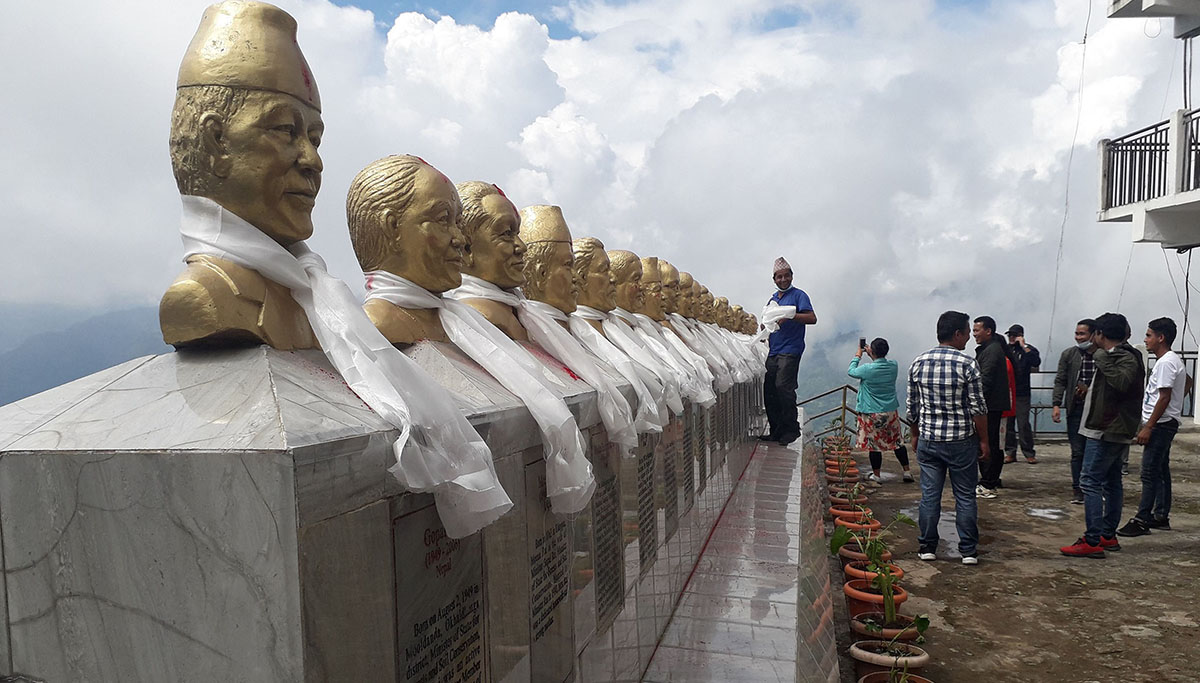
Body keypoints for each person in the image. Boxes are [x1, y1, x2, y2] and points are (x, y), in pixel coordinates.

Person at [1060, 312, 1145, 558]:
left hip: (1107, 430)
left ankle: (1093, 539)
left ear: (1100, 335)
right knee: (1110, 480)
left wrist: (1100, 357)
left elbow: (1121, 382)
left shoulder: (1123, 356)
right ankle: (1107, 535)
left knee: (1090, 481)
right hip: (1106, 427)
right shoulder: (1115, 356)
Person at [908, 311, 989, 565]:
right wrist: (984, 440)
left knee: (930, 495)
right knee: (965, 495)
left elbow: (913, 407)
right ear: (957, 334)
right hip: (961, 441)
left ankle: (927, 547)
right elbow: (978, 407)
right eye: (966, 332)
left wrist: (914, 434)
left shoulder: (919, 362)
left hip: (929, 439)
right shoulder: (968, 364)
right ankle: (968, 551)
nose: (968, 337)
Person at [1117, 317, 1188, 537]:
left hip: (1161, 424)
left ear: (1161, 337)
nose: (1145, 340)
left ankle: (1142, 519)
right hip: (1164, 422)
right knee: (1160, 470)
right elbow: (1187, 383)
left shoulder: (1166, 362)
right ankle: (1160, 515)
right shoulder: (1169, 361)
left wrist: (1149, 426)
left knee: (1148, 472)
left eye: (1149, 335)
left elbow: (1164, 396)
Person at [762, 256, 817, 445]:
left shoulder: (799, 295)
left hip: (791, 349)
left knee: (783, 387)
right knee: (769, 389)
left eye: (786, 276)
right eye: (779, 277)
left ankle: (791, 429)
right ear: (774, 279)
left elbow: (812, 318)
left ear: (791, 276)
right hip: (774, 349)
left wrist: (790, 316)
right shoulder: (773, 299)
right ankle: (776, 429)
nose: (783, 280)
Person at [849, 337, 913, 486]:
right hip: (890, 411)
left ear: (872, 350)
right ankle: (907, 471)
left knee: (874, 444)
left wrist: (858, 354)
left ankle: (876, 476)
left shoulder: (867, 369)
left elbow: (851, 371)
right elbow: (880, 364)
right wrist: (873, 355)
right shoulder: (893, 365)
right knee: (897, 442)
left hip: (872, 412)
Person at [1051, 319, 1097, 504]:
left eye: (1082, 334)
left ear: (1093, 335)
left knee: (1093, 451)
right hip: (1076, 409)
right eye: (1077, 334)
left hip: (1096, 410)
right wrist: (1056, 404)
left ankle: (1092, 487)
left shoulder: (1102, 355)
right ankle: (1078, 488)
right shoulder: (1069, 355)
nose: (1078, 338)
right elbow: (1060, 379)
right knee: (1077, 451)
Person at [972, 316, 1011, 498]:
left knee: (990, 444)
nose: (974, 334)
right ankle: (989, 480)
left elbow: (985, 381)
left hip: (990, 406)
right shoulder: (990, 349)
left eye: (977, 330)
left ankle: (988, 482)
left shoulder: (992, 351)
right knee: (991, 443)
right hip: (992, 404)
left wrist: (974, 402)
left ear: (988, 331)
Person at [1004, 324, 1041, 464]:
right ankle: (1010, 452)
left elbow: (1036, 362)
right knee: (1008, 425)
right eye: (1010, 335)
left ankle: (1028, 452)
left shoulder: (1029, 350)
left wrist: (1024, 346)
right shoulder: (1005, 350)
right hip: (1007, 392)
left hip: (1022, 392)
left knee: (1023, 423)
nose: (1012, 338)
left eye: (1014, 335)